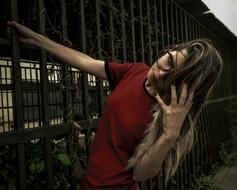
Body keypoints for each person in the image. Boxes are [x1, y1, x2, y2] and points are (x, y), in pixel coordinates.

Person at [7, 20, 223, 190]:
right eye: (168, 60)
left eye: (171, 77)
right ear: (170, 49)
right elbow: (87, 61)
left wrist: (169, 134)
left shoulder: (169, 115)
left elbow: (140, 174)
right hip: (89, 183)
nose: (159, 72)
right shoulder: (136, 71)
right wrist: (37, 40)